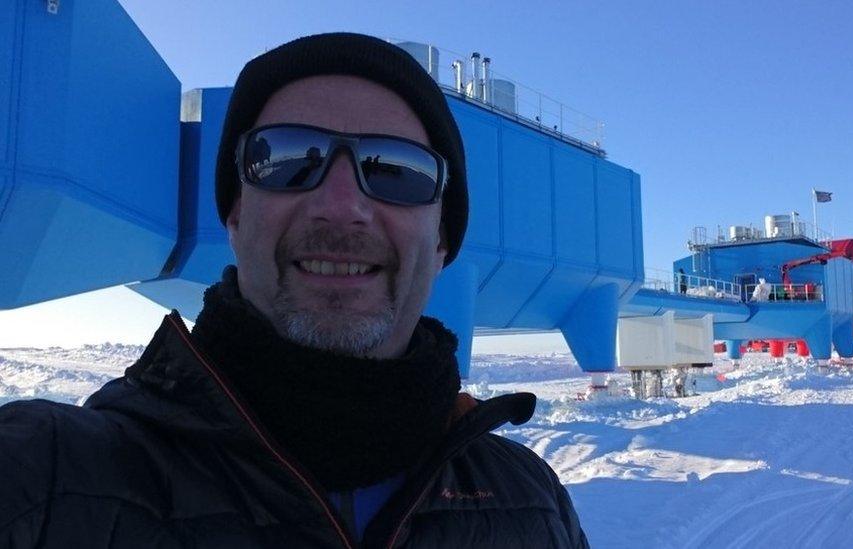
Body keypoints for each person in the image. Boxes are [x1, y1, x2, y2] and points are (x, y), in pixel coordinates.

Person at [0, 33, 588, 548]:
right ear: (234, 217)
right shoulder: (49, 479)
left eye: (394, 169)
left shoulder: (535, 503)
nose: (341, 207)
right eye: (286, 158)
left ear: (442, 244)